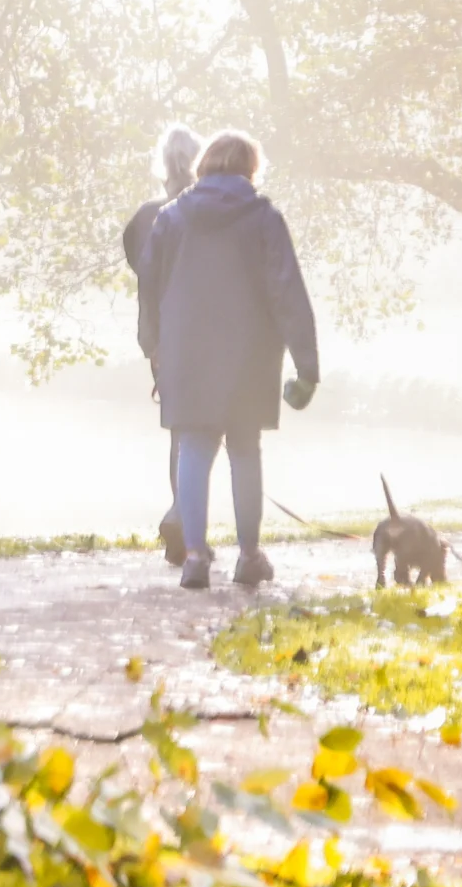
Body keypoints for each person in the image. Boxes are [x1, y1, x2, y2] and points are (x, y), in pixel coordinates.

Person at [136, 128, 321, 591]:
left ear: (203, 165)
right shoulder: (264, 218)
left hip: (186, 351)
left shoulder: (171, 218)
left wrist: (153, 345)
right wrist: (307, 367)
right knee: (244, 451)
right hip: (250, 354)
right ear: (251, 170)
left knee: (194, 449)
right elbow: (287, 291)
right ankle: (249, 556)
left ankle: (195, 557)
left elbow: (149, 286)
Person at [122, 124, 202, 563]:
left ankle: (182, 518)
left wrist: (152, 342)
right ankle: (184, 519)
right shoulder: (208, 215)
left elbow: (142, 273)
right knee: (204, 432)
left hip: (161, 341)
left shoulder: (145, 217)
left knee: (181, 431)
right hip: (206, 336)